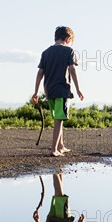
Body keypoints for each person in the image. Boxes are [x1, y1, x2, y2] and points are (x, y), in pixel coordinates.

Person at [32, 26, 84, 157]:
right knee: (59, 119)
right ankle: (54, 149)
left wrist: (36, 92)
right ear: (68, 39)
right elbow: (72, 70)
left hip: (49, 90)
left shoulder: (46, 52)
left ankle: (61, 145)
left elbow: (40, 73)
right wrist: (78, 89)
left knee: (57, 116)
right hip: (62, 89)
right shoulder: (69, 51)